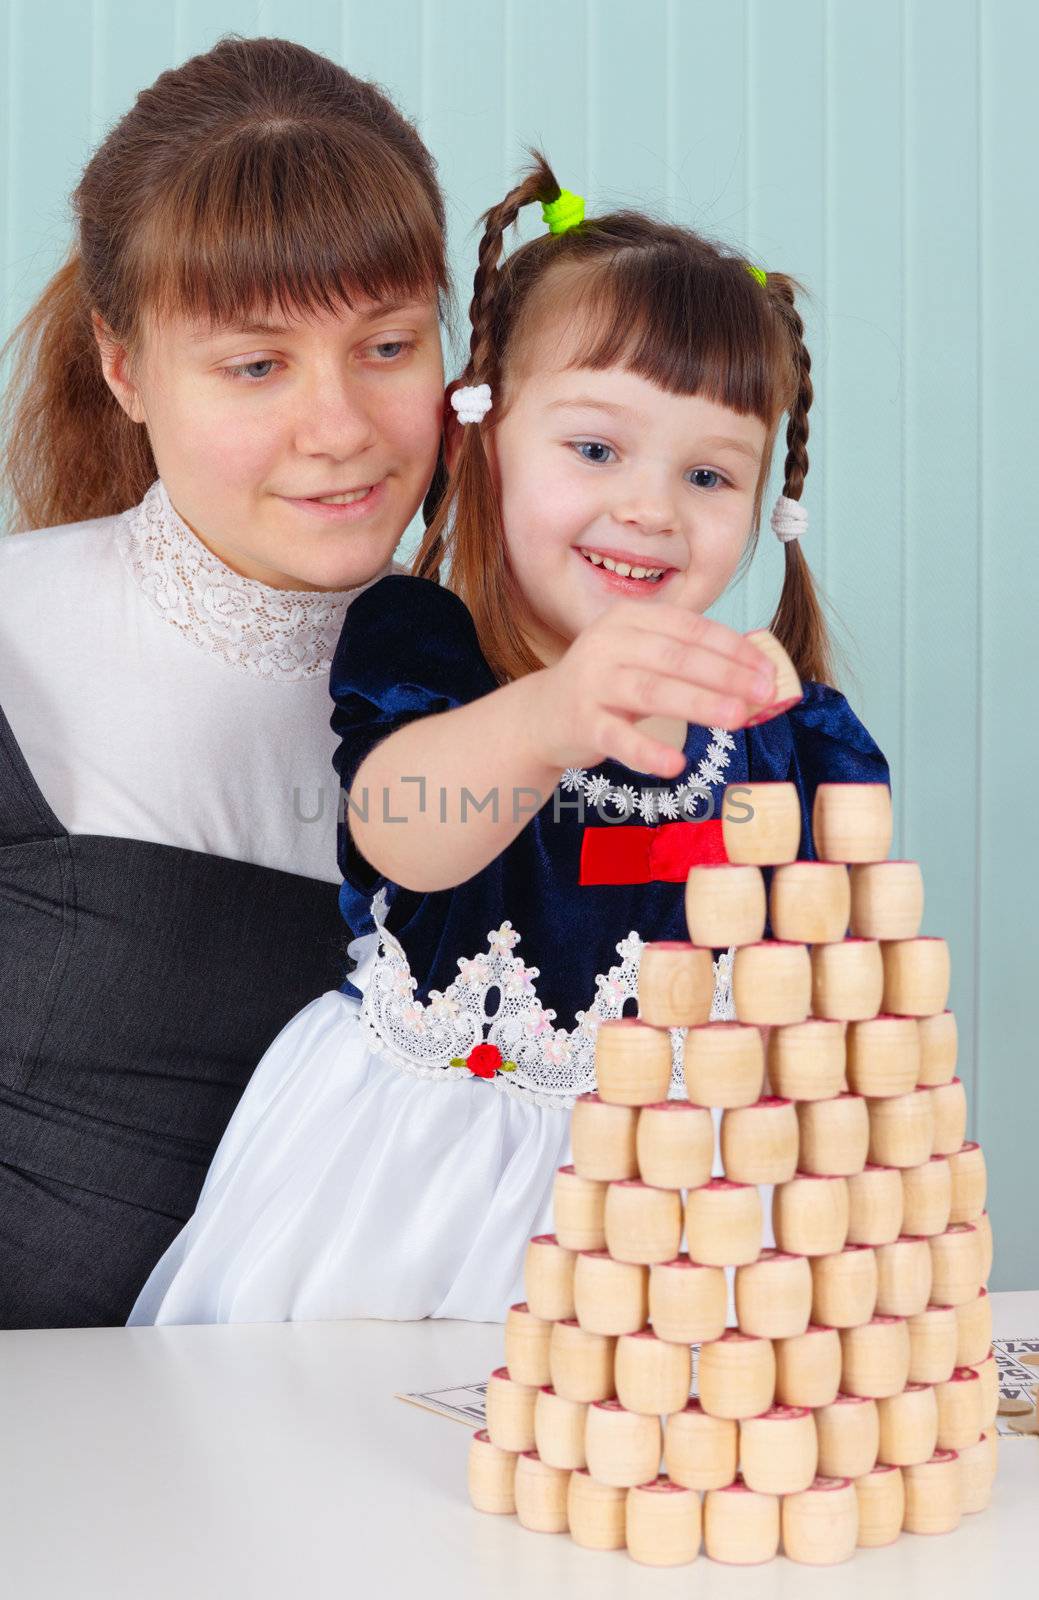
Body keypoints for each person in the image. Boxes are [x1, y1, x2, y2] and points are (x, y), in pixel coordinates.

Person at [128, 152, 890, 1328]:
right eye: (595, 449)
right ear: (483, 437)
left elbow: (836, 973)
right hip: (419, 1189)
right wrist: (552, 718)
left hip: (676, 1213)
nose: (649, 507)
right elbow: (401, 833)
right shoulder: (430, 648)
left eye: (707, 473)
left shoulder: (784, 732)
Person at [0, 34, 452, 1328]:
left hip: (388, 1484)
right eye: (256, 365)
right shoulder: (14, 640)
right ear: (124, 367)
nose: (340, 429)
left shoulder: (521, 707)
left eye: (386, 345)